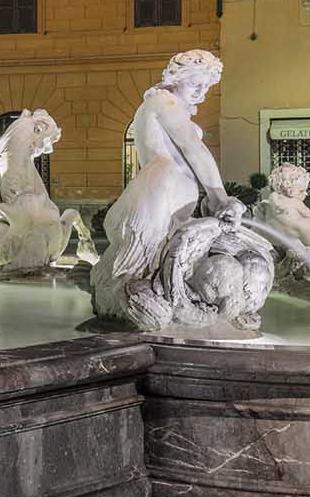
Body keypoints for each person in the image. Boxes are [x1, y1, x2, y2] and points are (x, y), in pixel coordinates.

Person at [93, 51, 235, 307]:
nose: (200, 92)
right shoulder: (163, 101)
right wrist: (219, 196)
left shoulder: (170, 105)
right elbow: (193, 148)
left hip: (170, 198)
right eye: (194, 83)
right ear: (175, 78)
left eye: (206, 86)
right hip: (161, 191)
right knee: (141, 269)